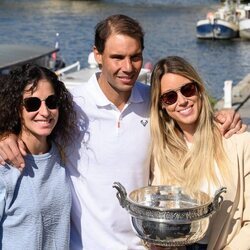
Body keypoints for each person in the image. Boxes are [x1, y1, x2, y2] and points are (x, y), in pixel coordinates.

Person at [0, 15, 246, 250]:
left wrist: (222, 116)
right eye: (117, 57)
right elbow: (32, 119)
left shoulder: (156, 102)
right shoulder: (71, 105)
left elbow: (189, 118)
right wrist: (4, 135)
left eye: (135, 57)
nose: (128, 67)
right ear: (97, 54)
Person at [149, 56, 250, 250]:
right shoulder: (160, 153)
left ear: (199, 89)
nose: (182, 101)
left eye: (187, 89)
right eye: (170, 97)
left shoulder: (238, 142)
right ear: (162, 106)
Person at [0, 64, 77, 249]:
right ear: (17, 108)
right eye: (32, 103)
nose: (45, 112)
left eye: (51, 102)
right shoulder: (5, 166)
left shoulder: (63, 153)